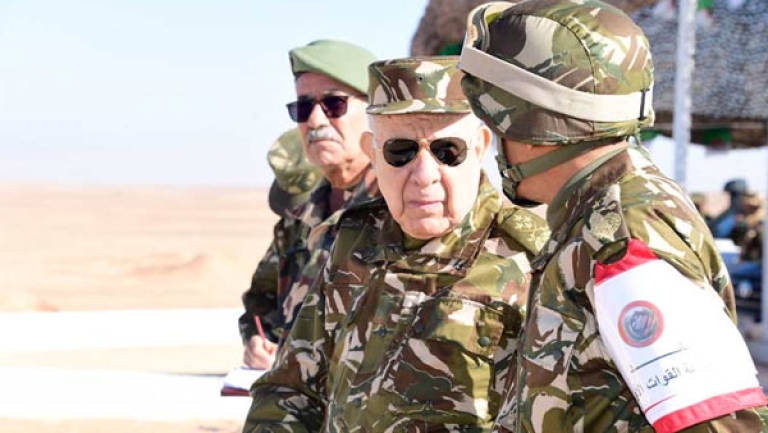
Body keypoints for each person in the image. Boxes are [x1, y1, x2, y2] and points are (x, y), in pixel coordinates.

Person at [458, 1, 768, 432]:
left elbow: (721, 425)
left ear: (531, 125)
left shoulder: (621, 236)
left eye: (498, 124)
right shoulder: (600, 215)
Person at [243, 56, 549, 432]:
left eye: (447, 151)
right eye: (400, 152)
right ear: (372, 153)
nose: (424, 175)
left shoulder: (534, 261)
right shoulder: (351, 244)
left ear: (480, 147)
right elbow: (291, 389)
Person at [238, 39, 379, 369]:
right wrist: (258, 340)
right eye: (303, 107)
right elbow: (261, 302)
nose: (314, 121)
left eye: (334, 104)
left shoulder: (403, 210)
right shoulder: (300, 218)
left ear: (375, 112)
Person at [238, 127, 322, 368]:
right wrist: (257, 338)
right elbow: (260, 299)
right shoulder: (290, 229)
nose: (298, 216)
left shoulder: (373, 226)